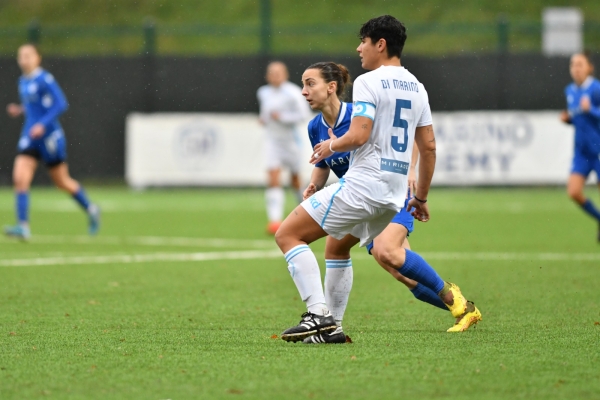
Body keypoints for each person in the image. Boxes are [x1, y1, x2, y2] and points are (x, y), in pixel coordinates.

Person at [274, 15, 478, 343]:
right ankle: (334, 328)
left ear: (379, 45)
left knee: (287, 235)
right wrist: (421, 197)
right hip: (393, 192)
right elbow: (428, 147)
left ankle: (319, 316)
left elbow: (358, 134)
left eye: (363, 41)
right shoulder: (417, 87)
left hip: (365, 185)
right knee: (342, 248)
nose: (358, 49)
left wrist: (331, 145)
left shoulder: (369, 82)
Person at [4, 44, 100, 240]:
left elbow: (60, 103)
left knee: (62, 182)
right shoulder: (22, 81)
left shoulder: (44, 79)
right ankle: (23, 226)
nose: (24, 59)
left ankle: (91, 209)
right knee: (20, 179)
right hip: (30, 137)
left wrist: (42, 124)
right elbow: (35, 105)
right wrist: (20, 110)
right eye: (21, 56)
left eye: (28, 55)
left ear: (38, 58)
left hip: (50, 138)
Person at [257, 61, 311, 235]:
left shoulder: (294, 92)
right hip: (273, 142)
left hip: (291, 142)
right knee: (273, 176)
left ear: (285, 74)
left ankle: (306, 215)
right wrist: (264, 119)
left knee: (295, 180)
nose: (274, 75)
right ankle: (275, 221)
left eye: (278, 72)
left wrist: (281, 117)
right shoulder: (263, 92)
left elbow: (304, 115)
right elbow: (265, 113)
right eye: (271, 72)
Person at [560, 52, 600, 241]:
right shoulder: (569, 90)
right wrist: (568, 119)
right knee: (574, 192)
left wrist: (590, 109)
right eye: (573, 64)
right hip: (581, 152)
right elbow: (578, 119)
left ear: (589, 67)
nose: (576, 68)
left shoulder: (596, 89)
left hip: (598, 150)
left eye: (580, 64)